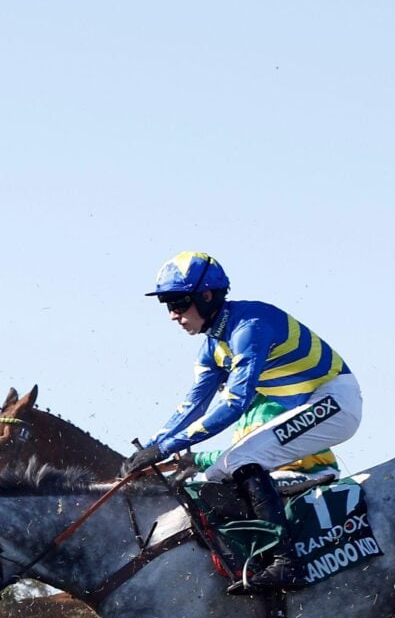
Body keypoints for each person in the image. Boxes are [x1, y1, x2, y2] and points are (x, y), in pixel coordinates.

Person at [124, 252, 362, 593]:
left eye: (178, 303)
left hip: (335, 402)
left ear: (207, 296)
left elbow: (235, 403)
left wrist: (166, 448)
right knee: (217, 474)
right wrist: (150, 447)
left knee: (241, 460)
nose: (173, 314)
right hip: (311, 404)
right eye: (167, 305)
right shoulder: (212, 346)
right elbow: (193, 405)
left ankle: (286, 562)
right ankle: (256, 558)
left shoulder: (249, 327)